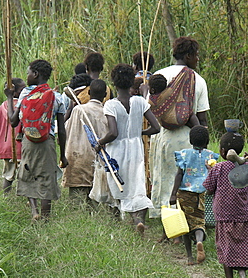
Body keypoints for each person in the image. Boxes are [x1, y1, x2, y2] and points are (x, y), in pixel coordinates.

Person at [149, 36, 210, 226]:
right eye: (197, 55)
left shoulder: (158, 75)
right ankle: (184, 220)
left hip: (161, 135)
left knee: (163, 177)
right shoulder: (197, 80)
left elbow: (148, 108)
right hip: (186, 138)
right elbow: (202, 118)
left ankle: (164, 219)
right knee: (184, 181)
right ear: (189, 55)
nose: (198, 59)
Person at [95, 63, 160, 234]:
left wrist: (99, 143)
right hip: (136, 148)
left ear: (114, 83)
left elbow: (113, 132)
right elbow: (156, 128)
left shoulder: (110, 105)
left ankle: (117, 221)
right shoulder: (139, 102)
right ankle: (138, 220)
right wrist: (140, 133)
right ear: (132, 82)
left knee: (118, 184)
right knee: (137, 183)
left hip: (117, 150)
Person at [5, 59, 68, 221]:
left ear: (35, 74)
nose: (26, 76)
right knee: (47, 176)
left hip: (28, 140)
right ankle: (46, 217)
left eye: (28, 73)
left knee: (27, 173)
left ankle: (34, 211)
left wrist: (9, 98)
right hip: (48, 141)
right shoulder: (56, 96)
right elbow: (61, 129)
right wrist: (63, 155)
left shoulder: (26, 93)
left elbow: (13, 121)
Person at [203, 132, 248, 278]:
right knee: (242, 248)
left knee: (226, 249)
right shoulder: (247, 167)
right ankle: (242, 273)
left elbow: (209, 190)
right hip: (243, 217)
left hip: (223, 216)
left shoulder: (218, 168)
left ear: (222, 151)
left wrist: (210, 171)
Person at [169, 125, 219, 265]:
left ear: (190, 140)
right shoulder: (210, 156)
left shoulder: (184, 154)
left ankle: (190, 257)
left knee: (185, 225)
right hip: (203, 193)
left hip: (185, 193)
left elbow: (179, 175)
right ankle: (198, 241)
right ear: (207, 140)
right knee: (199, 222)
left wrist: (173, 194)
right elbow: (214, 175)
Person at [62, 79, 109, 203]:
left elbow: (65, 130)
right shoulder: (106, 113)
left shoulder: (78, 110)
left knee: (76, 202)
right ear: (105, 95)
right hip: (97, 161)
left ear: (88, 92)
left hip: (77, 160)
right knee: (95, 201)